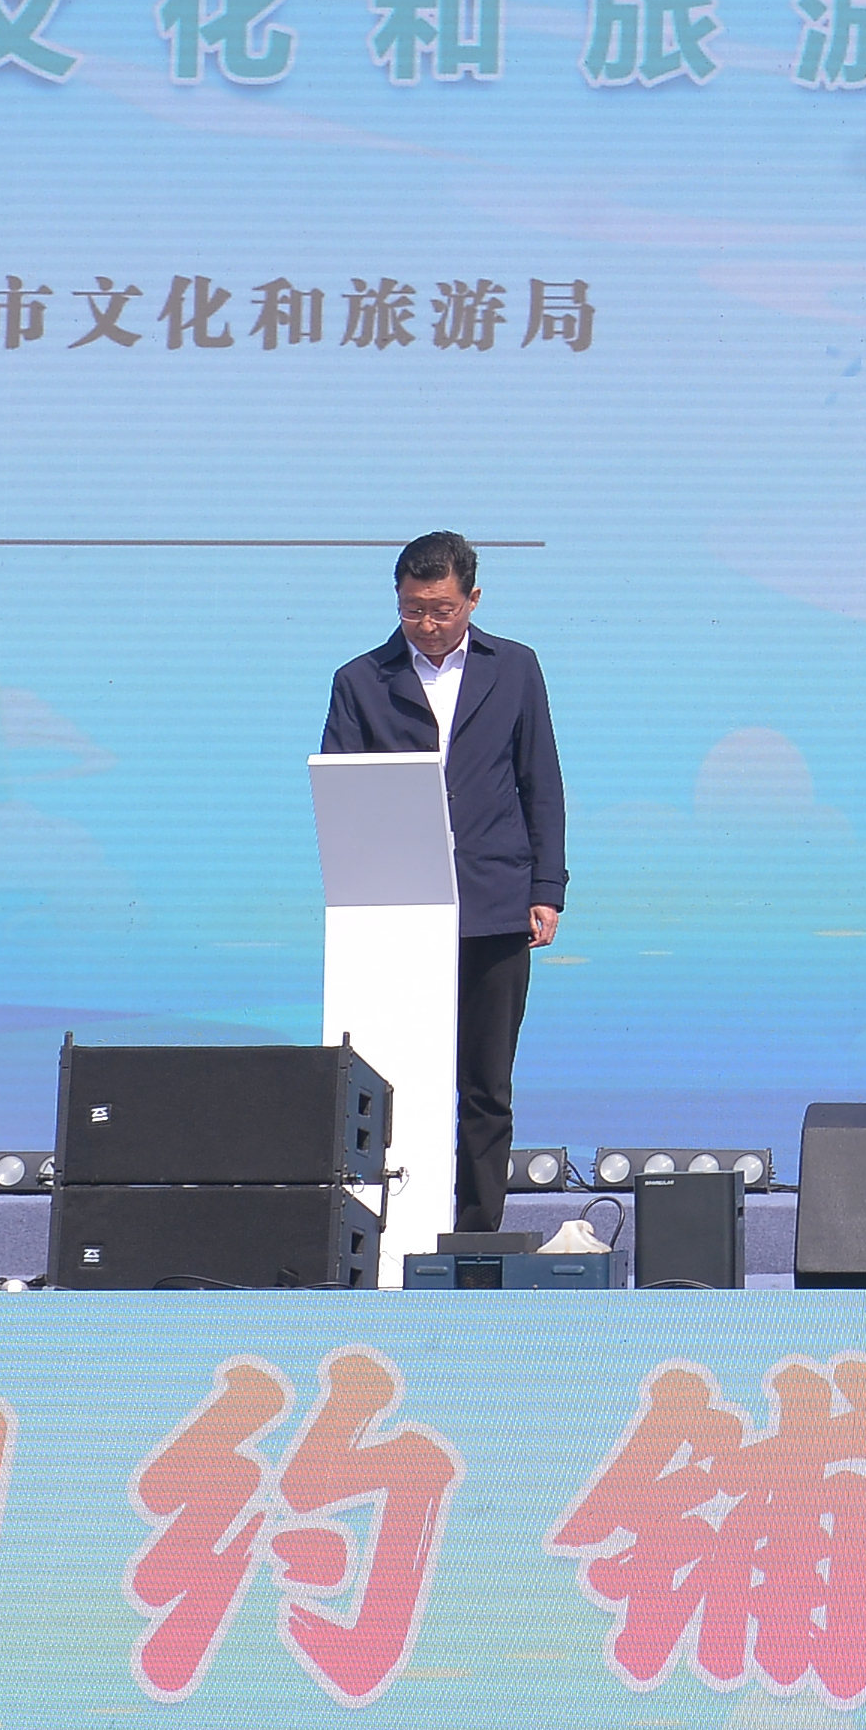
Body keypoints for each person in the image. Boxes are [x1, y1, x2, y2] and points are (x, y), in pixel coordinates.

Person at [318, 529, 566, 1238]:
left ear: (472, 599)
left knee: (486, 1085)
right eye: (412, 609)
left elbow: (540, 781)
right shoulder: (361, 680)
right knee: (391, 1081)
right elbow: (340, 793)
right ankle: (385, 1234)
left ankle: (476, 1237)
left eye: (441, 609)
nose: (426, 624)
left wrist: (546, 887)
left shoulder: (514, 668)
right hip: (397, 912)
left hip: (496, 903)